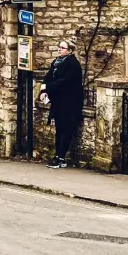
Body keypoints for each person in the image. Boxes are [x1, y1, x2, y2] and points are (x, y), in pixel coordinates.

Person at [40, 38, 84, 168]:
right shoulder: (56, 62)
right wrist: (43, 89)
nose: (59, 49)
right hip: (59, 100)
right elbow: (48, 76)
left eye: (62, 47)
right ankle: (57, 156)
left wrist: (48, 87)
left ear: (70, 51)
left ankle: (61, 157)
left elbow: (65, 81)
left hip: (70, 101)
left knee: (66, 128)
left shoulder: (73, 64)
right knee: (59, 128)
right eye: (59, 47)